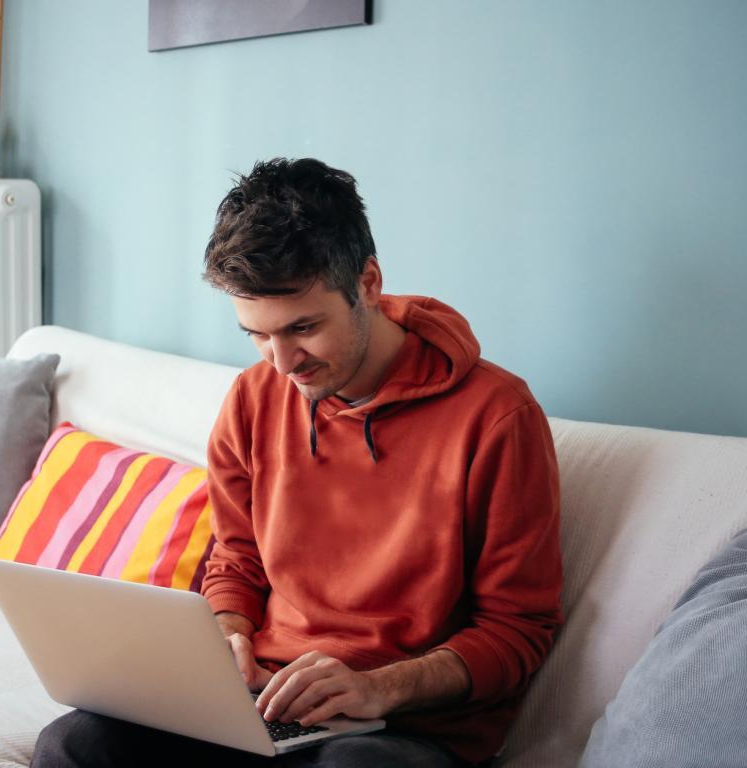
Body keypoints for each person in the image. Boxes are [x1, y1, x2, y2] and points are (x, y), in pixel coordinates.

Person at [31, 158, 563, 768]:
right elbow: (237, 560)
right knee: (74, 744)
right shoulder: (254, 398)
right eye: (256, 335)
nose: (282, 363)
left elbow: (518, 629)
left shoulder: (497, 418)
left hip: (400, 727)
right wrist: (227, 638)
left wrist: (377, 688)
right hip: (264, 701)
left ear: (367, 283)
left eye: (303, 327)